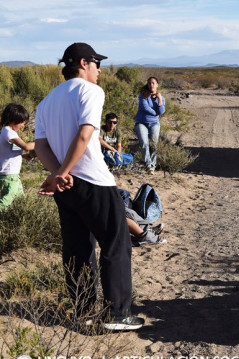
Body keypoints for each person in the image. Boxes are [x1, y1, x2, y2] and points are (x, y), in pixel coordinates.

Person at [34, 42, 143, 330]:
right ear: (84, 63)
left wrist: (58, 174)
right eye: (97, 64)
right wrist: (64, 171)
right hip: (93, 180)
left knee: (77, 247)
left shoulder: (46, 101)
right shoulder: (90, 91)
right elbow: (85, 135)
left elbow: (41, 146)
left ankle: (83, 308)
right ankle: (118, 314)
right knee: (116, 243)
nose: (99, 70)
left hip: (66, 185)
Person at [0, 103, 35, 208]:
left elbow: (12, 152)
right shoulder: (9, 132)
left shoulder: (5, 132)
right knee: (4, 204)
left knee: (20, 202)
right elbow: (26, 146)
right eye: (22, 122)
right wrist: (40, 143)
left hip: (11, 176)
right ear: (13, 120)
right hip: (9, 176)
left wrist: (24, 156)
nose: (23, 125)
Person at [135, 76, 165, 175]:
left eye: (153, 83)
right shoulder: (143, 95)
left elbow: (162, 111)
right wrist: (156, 113)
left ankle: (152, 166)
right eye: (149, 83)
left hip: (154, 124)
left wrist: (159, 99)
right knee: (144, 143)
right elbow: (145, 107)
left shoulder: (161, 98)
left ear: (157, 84)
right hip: (141, 122)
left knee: (154, 145)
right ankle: (148, 165)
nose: (151, 85)